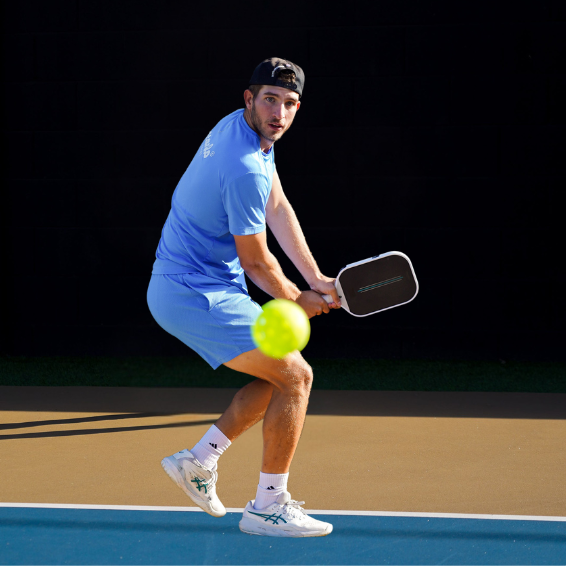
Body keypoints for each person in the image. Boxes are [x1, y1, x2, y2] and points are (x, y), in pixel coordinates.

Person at [147, 57, 341, 537]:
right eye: (270, 100)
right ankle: (267, 507)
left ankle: (198, 461)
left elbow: (277, 205)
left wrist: (315, 279)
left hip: (201, 283)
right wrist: (296, 299)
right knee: (297, 376)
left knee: (278, 376)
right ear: (249, 99)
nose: (279, 113)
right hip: (192, 290)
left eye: (289, 103)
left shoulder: (243, 131)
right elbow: (256, 261)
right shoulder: (243, 167)